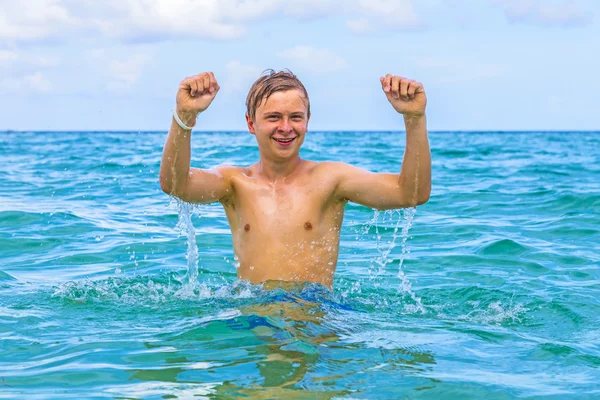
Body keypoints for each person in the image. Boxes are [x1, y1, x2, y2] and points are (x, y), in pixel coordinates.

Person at [159, 70, 430, 288]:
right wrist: (185, 115)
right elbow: (175, 185)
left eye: (295, 117)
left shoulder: (331, 180)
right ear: (251, 124)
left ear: (307, 121)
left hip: (316, 317)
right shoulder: (235, 183)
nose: (286, 128)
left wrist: (414, 118)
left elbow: (410, 194)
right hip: (256, 318)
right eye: (274, 117)